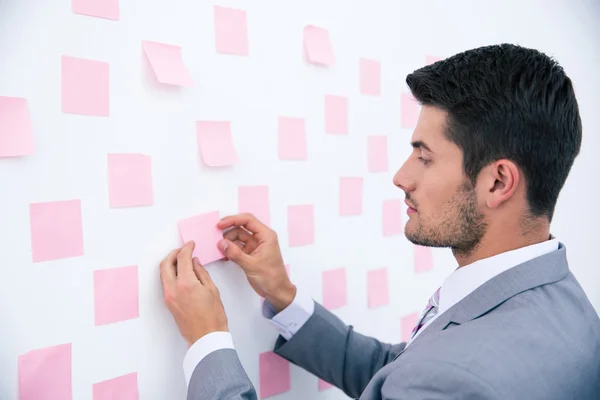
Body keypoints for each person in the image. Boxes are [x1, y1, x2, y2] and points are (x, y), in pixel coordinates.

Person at [159, 43, 600, 399]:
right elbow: (398, 377)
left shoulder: (459, 378)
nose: (401, 176)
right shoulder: (570, 310)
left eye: (424, 157)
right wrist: (285, 297)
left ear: (498, 181)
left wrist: (208, 340)